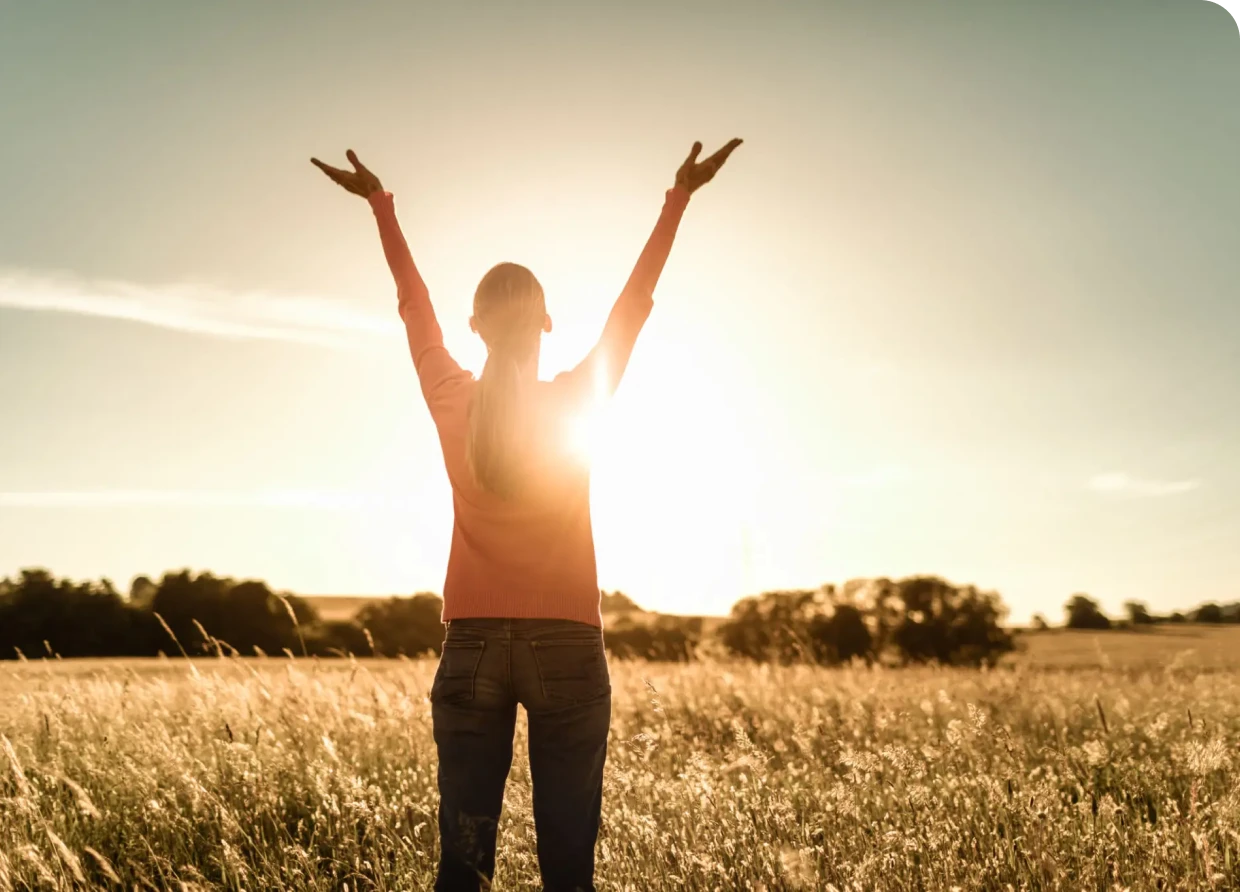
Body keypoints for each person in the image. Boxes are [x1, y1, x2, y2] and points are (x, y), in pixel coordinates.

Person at [311, 137, 742, 892]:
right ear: (545, 323)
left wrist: (382, 205)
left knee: (464, 867)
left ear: (475, 327)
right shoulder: (577, 399)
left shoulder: (450, 394)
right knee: (570, 871)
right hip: (569, 647)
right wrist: (677, 199)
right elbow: (631, 309)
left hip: (471, 648)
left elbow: (413, 308)